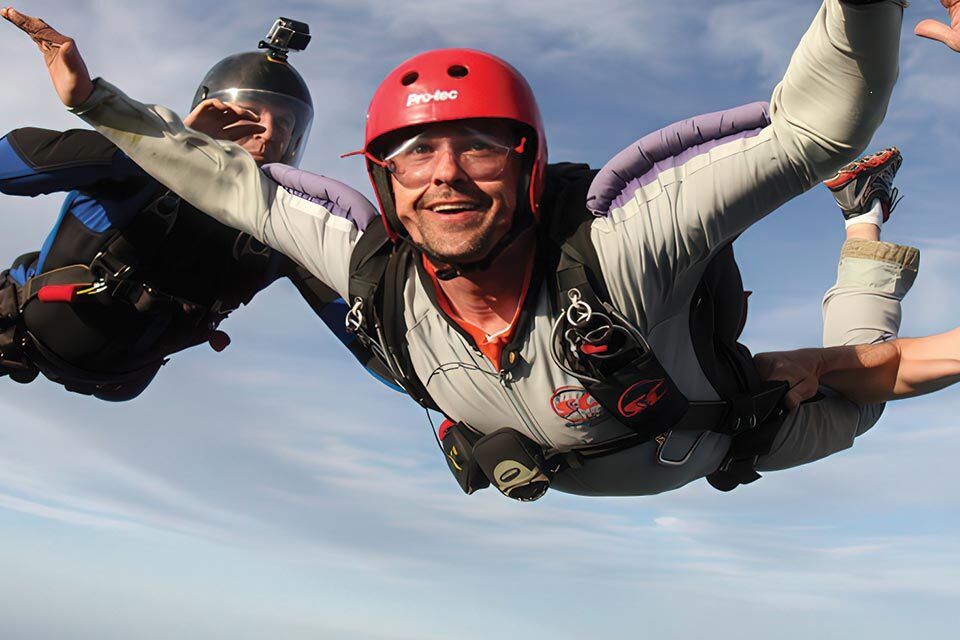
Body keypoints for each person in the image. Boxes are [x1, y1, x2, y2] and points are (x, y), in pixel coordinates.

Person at [7, 1, 939, 500]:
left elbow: (813, 130)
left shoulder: (622, 247)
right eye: (413, 152)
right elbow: (227, 187)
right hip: (53, 335)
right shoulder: (358, 261)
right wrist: (101, 110)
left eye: (480, 146)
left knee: (864, 377)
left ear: (532, 167)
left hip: (720, 436)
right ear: (378, 182)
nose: (445, 175)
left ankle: (864, 222)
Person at [0, 16, 382, 400]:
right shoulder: (136, 168)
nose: (268, 130)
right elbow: (8, 164)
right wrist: (160, 150)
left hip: (114, 376)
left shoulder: (288, 231)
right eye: (251, 112)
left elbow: (371, 338)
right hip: (13, 327)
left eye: (284, 121)